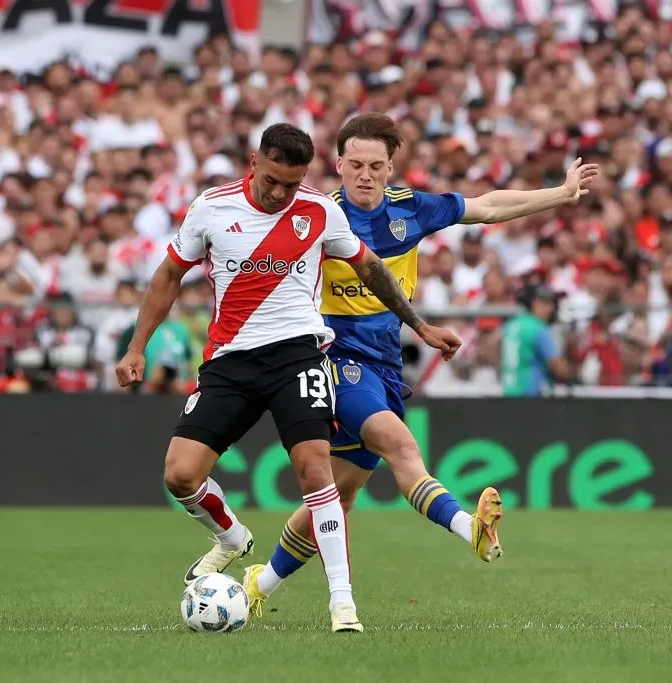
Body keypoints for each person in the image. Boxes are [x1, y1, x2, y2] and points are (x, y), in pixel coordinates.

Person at [243, 113, 598, 613]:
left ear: (391, 168)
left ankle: (258, 588)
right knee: (400, 446)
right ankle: (468, 527)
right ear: (338, 165)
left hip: (386, 366)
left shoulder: (412, 211)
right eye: (356, 165)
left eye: (376, 166)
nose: (365, 175)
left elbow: (488, 207)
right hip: (333, 361)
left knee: (337, 497)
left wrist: (560, 194)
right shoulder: (317, 217)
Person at [114, 123, 461, 633]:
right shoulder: (212, 207)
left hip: (300, 356)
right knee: (180, 474)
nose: (280, 193)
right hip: (230, 361)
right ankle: (232, 537)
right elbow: (169, 275)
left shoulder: (320, 210)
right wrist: (137, 346)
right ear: (255, 162)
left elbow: (371, 269)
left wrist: (420, 325)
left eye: (292, 184)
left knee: (315, 472)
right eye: (273, 180)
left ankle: (342, 603)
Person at [502, 284, 575, 396]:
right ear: (534, 303)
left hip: (507, 391)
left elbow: (492, 346)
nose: (551, 309)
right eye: (546, 303)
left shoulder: (511, 325)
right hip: (530, 394)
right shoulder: (538, 328)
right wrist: (574, 374)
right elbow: (556, 365)